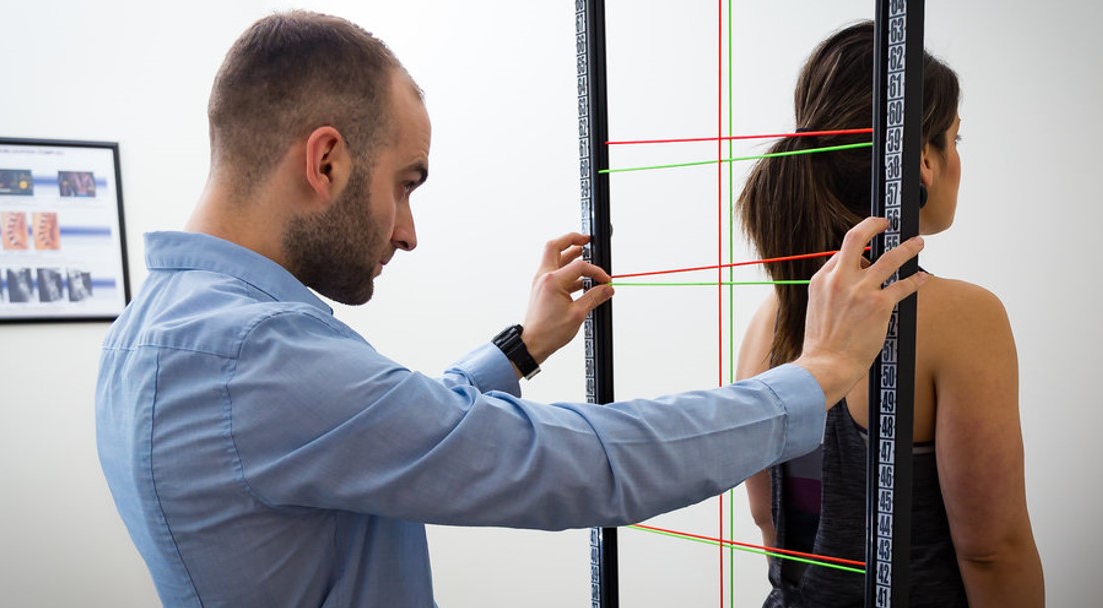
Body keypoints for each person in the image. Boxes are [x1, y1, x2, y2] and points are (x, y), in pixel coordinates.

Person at [95, 11, 926, 607]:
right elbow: (575, 462)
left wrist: (520, 347)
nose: (408, 232)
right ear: (326, 161)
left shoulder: (159, 328)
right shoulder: (250, 355)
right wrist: (816, 374)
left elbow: (392, 430)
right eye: (405, 185)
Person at [736, 21, 1044, 608]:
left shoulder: (772, 316)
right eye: (955, 138)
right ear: (922, 161)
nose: (958, 158)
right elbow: (993, 551)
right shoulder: (962, 319)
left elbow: (770, 520)